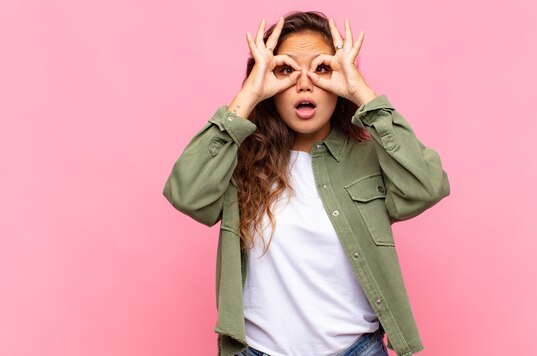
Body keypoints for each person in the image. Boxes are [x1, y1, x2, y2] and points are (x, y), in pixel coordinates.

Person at [163, 10, 450, 356]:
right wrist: (247, 96)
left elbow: (428, 186)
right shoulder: (238, 161)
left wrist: (363, 93)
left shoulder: (369, 157)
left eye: (322, 69)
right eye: (286, 70)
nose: (304, 83)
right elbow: (186, 193)